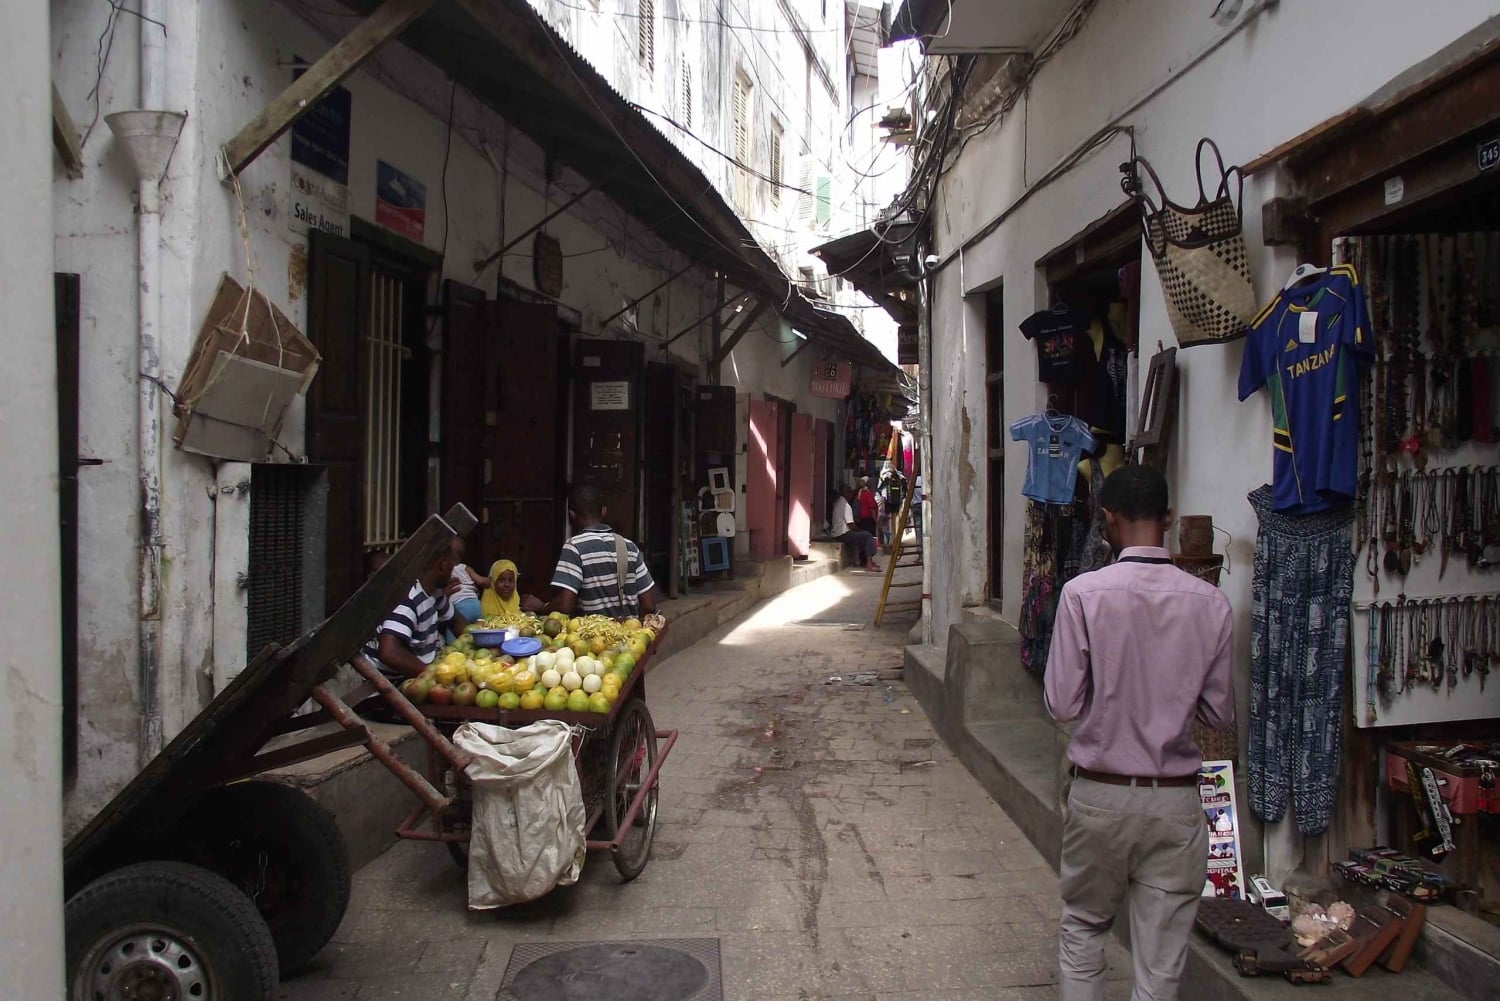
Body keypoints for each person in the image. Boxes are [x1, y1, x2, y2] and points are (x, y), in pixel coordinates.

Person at [1043, 465, 1234, 1001]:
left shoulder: (1083, 594)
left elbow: (1061, 703)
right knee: (1161, 965)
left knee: (1083, 929)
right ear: (1168, 519)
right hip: (1175, 804)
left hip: (1099, 794)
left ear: (1108, 519)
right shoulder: (1211, 603)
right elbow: (1220, 717)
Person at [522, 483, 658, 619]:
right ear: (604, 511)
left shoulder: (574, 547)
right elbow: (649, 606)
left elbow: (565, 605)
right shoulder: (629, 547)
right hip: (630, 637)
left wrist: (541, 607)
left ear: (571, 515)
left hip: (593, 637)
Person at [363, 542, 470, 679]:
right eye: (452, 565)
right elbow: (389, 652)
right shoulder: (407, 598)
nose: (453, 571)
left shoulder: (434, 593)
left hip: (421, 673)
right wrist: (434, 676)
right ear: (443, 565)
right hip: (393, 683)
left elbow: (456, 622)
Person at [827, 487, 880, 572]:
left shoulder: (838, 503)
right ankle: (869, 564)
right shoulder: (846, 505)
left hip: (837, 533)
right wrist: (859, 530)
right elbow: (851, 524)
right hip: (843, 533)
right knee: (868, 536)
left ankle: (864, 561)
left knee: (862, 536)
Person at [447, 537, 489, 623]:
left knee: (454, 632)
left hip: (460, 606)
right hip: (475, 604)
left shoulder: (446, 570)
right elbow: (481, 581)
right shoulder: (465, 568)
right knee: (476, 631)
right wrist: (491, 581)